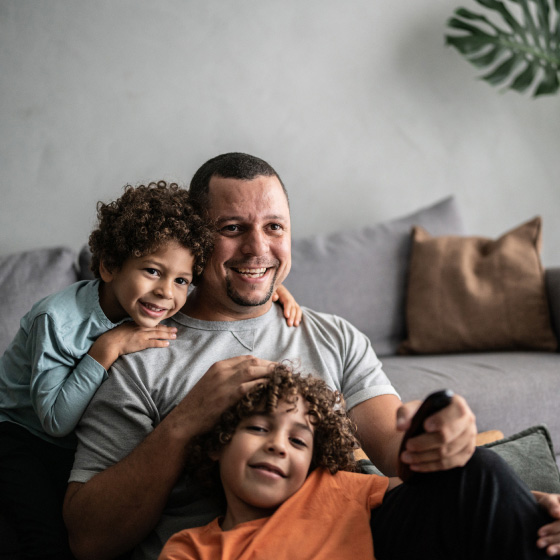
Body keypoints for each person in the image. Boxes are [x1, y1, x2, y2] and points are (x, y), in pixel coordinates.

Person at [63, 153, 560, 560]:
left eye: (274, 227)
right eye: (233, 228)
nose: (258, 248)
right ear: (195, 238)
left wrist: (450, 445)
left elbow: (400, 461)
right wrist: (184, 422)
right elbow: (89, 540)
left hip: (356, 539)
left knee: (486, 478)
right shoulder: (137, 353)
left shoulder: (332, 335)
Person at [0, 179, 299, 560]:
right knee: (46, 540)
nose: (166, 293)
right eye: (152, 271)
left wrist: (275, 292)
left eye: (181, 281)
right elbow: (55, 421)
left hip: (74, 447)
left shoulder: (154, 302)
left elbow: (225, 288)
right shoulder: (56, 320)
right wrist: (107, 349)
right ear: (109, 265)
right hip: (22, 438)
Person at [157, 363, 556, 560]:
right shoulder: (192, 548)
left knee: (480, 466)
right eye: (259, 429)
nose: (278, 446)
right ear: (218, 443)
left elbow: (452, 492)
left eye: (298, 440)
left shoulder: (333, 488)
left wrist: (532, 502)